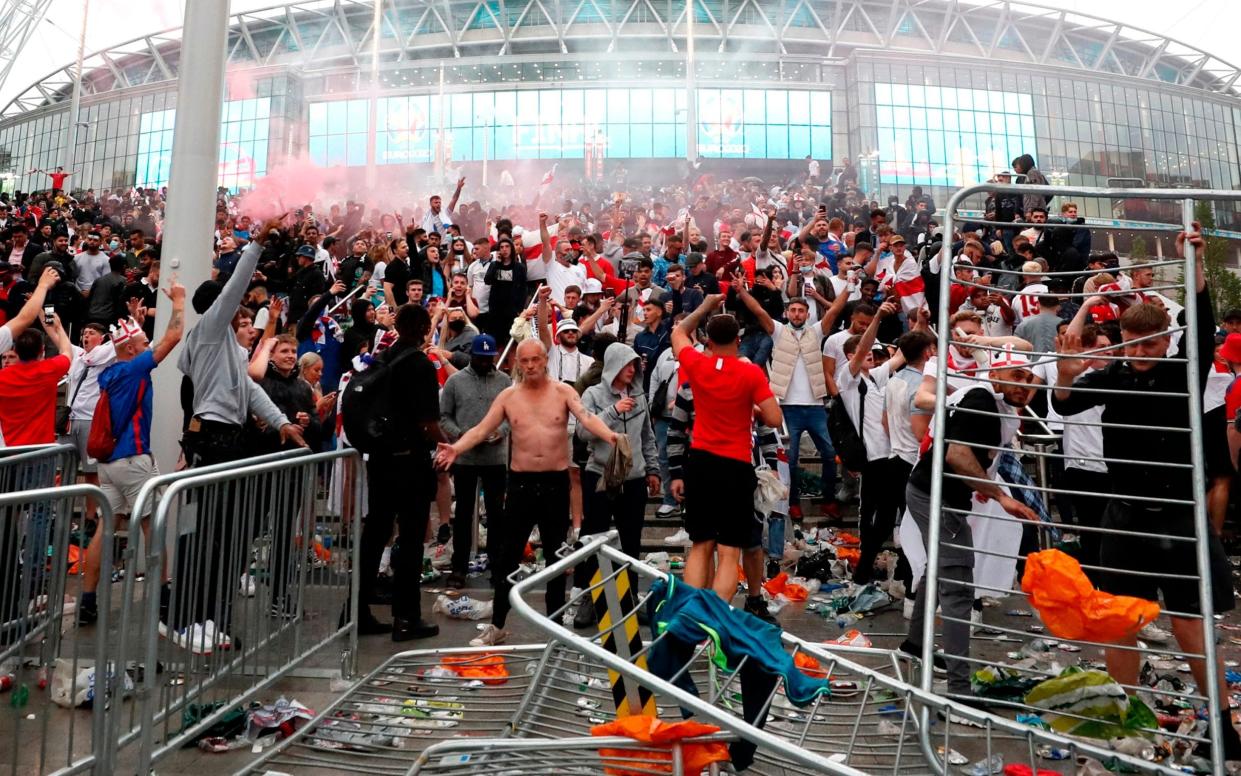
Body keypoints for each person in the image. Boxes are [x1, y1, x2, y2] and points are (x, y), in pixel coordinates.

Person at [1052, 224, 1241, 761]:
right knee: (1119, 617)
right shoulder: (1112, 375)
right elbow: (1065, 405)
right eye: (1137, 343)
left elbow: (1202, 326)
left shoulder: (1185, 370)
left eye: (1154, 341)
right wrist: (1066, 373)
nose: (1145, 351)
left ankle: (1221, 723)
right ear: (1126, 340)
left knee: (1192, 622)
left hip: (1180, 516)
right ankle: (1127, 715)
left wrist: (1196, 263)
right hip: (1126, 512)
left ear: (1166, 339)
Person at [435, 338, 620, 647]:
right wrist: (455, 448)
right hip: (520, 484)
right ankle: (497, 624)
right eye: (526, 361)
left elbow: (586, 418)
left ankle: (556, 626)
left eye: (536, 359)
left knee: (555, 558)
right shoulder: (509, 396)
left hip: (555, 483)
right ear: (517, 363)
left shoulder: (563, 391)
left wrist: (612, 436)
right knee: (507, 557)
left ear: (545, 359)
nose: (532, 365)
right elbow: (481, 430)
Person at [176, 223, 306, 651]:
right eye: (241, 313)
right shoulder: (211, 332)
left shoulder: (228, 349)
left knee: (226, 534)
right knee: (213, 533)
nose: (246, 318)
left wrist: (282, 422)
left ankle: (211, 615)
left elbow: (250, 391)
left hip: (228, 438)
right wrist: (257, 244)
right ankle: (189, 618)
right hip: (215, 438)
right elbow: (233, 289)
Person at [902, 346, 1039, 702]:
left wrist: (982, 485)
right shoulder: (980, 399)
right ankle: (959, 690)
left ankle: (914, 647)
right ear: (995, 376)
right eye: (1016, 377)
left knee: (940, 570)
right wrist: (1000, 495)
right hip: (936, 495)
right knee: (958, 586)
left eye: (1029, 379)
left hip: (936, 492)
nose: (1024, 386)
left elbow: (974, 456)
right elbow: (958, 454)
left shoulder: (999, 407)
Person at [79, 285, 185, 627]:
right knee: (152, 526)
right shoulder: (134, 369)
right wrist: (179, 301)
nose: (147, 348)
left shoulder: (110, 372)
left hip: (108, 464)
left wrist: (137, 321)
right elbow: (173, 336)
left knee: (105, 529)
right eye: (142, 345)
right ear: (130, 350)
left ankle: (88, 600)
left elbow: (135, 344)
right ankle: (165, 596)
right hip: (134, 459)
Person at [669, 295, 781, 600]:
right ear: (739, 338)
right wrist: (753, 408)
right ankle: (716, 619)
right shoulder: (750, 373)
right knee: (729, 551)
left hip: (701, 462)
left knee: (700, 544)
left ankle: (691, 614)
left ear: (707, 338)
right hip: (735, 465)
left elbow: (678, 333)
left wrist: (704, 305)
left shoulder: (697, 365)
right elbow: (773, 417)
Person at [355, 303, 449, 641]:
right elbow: (428, 422)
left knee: (375, 535)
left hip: (379, 459)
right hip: (409, 461)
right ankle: (406, 618)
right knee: (410, 540)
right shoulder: (419, 364)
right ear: (425, 329)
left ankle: (355, 613)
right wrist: (448, 443)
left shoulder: (383, 359)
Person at [735, 269, 848, 520]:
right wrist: (741, 291)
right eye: (793, 311)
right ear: (787, 313)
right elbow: (759, 312)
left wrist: (849, 288)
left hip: (816, 406)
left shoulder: (816, 332)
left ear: (807, 314)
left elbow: (834, 312)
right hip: (787, 407)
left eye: (801, 311)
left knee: (829, 454)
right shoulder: (777, 331)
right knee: (792, 458)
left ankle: (828, 500)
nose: (797, 314)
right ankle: (794, 502)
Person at [572, 341, 660, 628]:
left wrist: (654, 470)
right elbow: (584, 432)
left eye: (634, 365)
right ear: (613, 366)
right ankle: (590, 599)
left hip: (633, 478)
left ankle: (630, 598)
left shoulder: (640, 395)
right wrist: (612, 410)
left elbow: (647, 436)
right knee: (595, 538)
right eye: (627, 364)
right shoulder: (593, 394)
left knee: (631, 540)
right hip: (600, 475)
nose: (632, 369)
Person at [439, 334, 510, 589]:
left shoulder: (504, 381)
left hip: (495, 457)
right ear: (472, 356)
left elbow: (511, 416)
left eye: (488, 359)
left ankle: (496, 566)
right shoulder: (455, 381)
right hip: (466, 458)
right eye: (480, 358)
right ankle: (459, 567)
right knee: (464, 513)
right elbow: (444, 416)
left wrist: (500, 432)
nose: (484, 363)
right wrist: (462, 436)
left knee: (496, 514)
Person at [0, 303, 71, 446]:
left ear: (16, 352)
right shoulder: (49, 370)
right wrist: (58, 327)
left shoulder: (2, 377)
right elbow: (67, 352)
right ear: (42, 350)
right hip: (41, 453)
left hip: (10, 452)